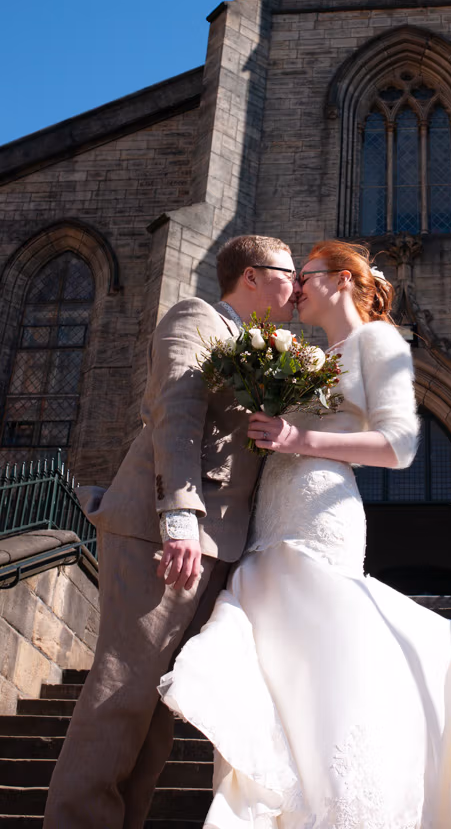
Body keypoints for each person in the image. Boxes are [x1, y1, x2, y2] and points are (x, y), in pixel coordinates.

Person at [160, 239, 451, 829]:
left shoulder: (380, 343)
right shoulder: (312, 354)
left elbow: (399, 446)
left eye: (307, 275)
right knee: (282, 659)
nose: (296, 286)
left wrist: (298, 439)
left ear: (343, 280)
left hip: (319, 512)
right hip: (272, 511)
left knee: (319, 647)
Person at [44, 234, 300, 829]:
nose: (297, 287)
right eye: (288, 273)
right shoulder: (196, 317)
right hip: (163, 534)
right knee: (122, 692)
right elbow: (176, 413)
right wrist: (179, 518)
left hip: (218, 544)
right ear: (252, 276)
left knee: (158, 710)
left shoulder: (263, 346)